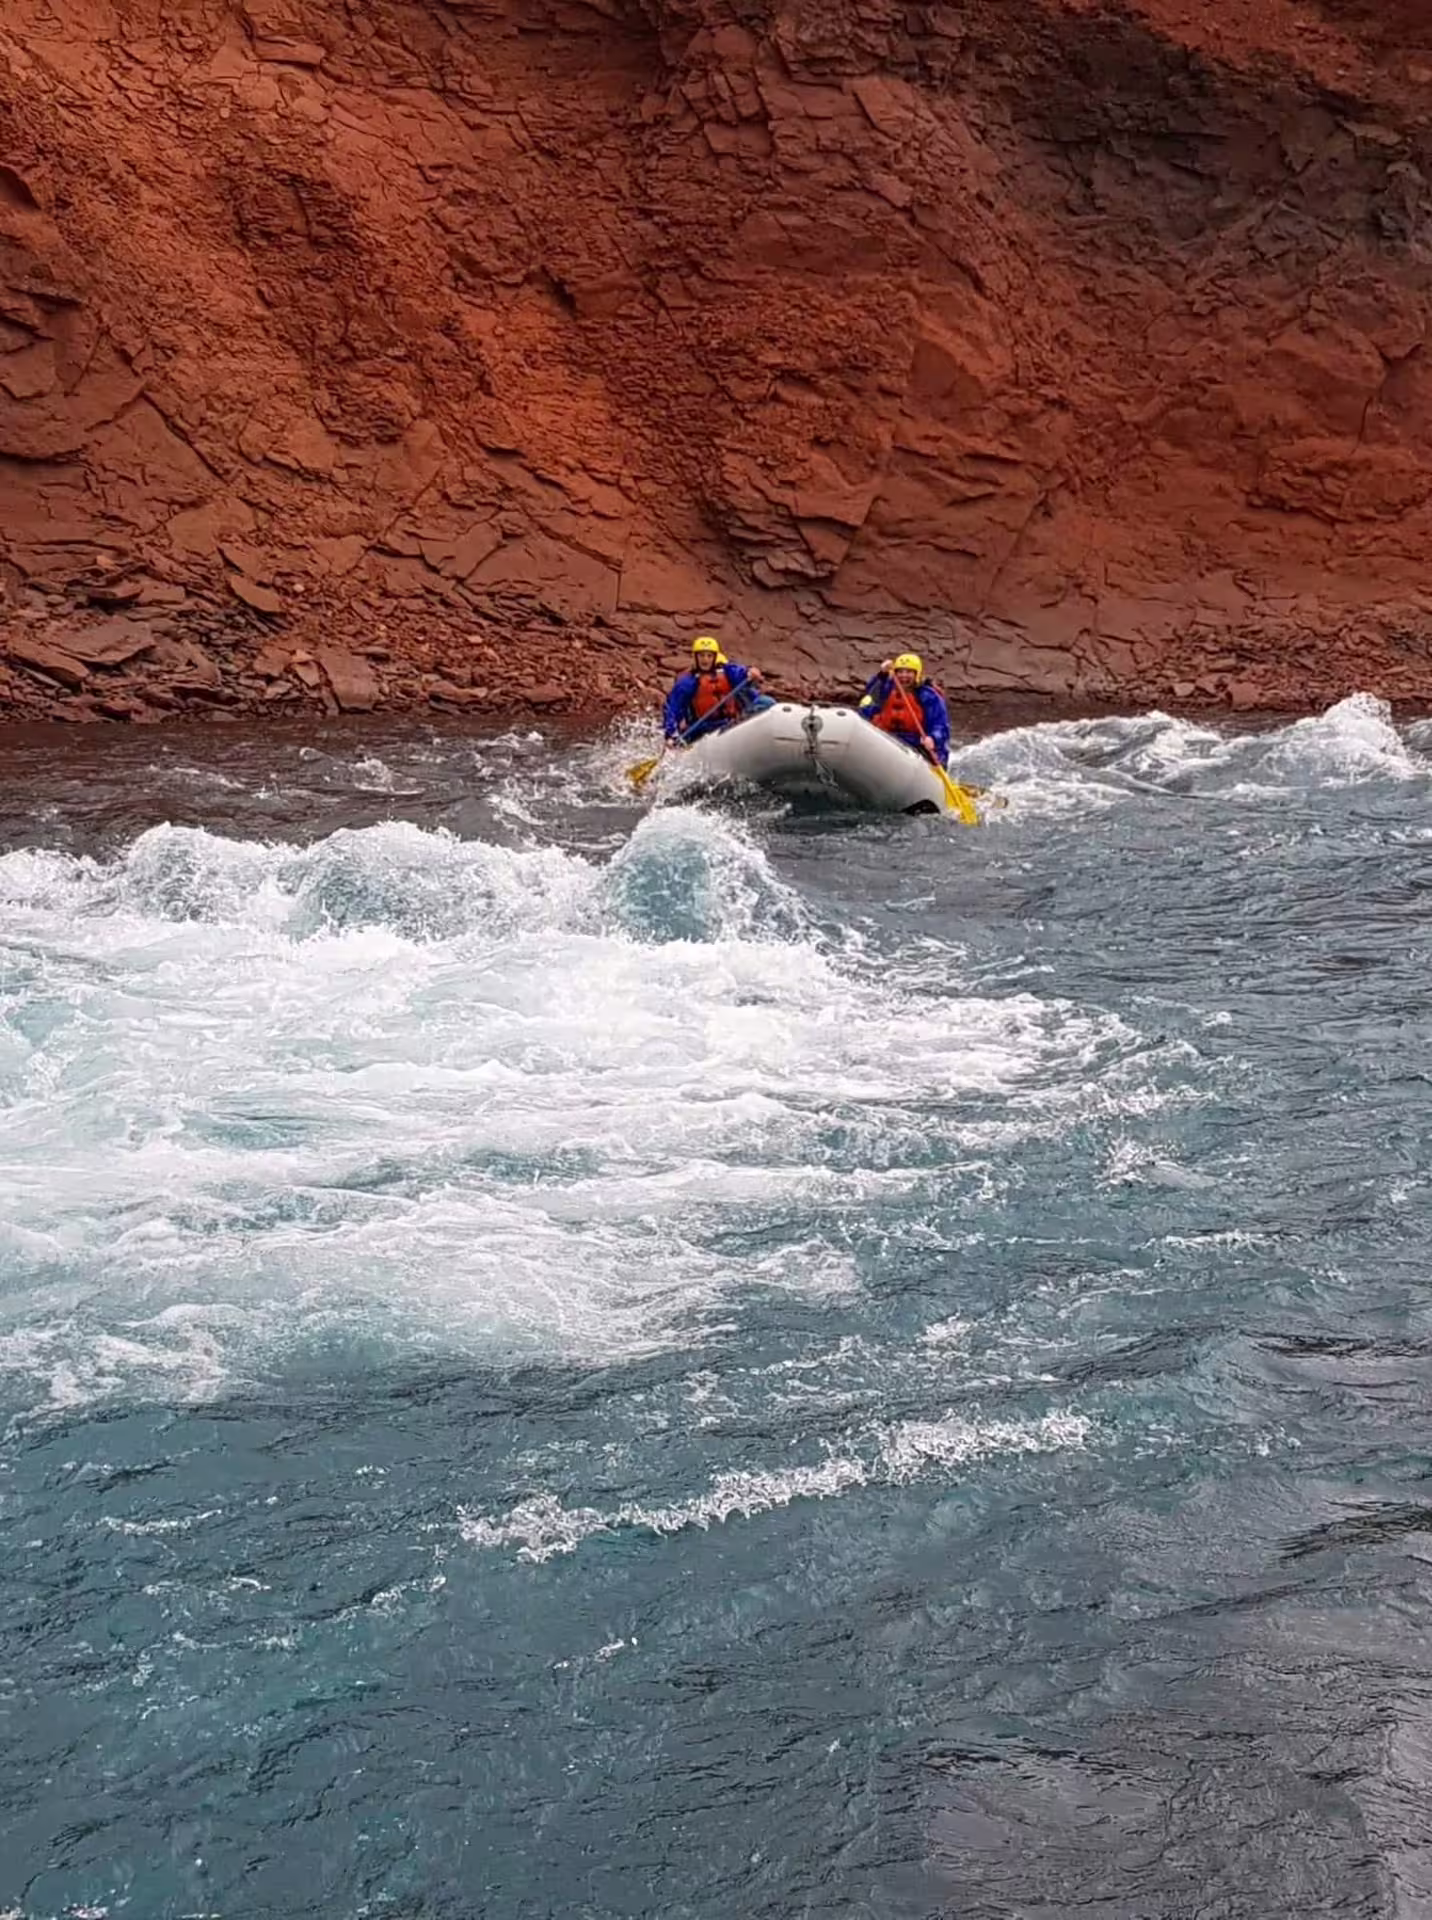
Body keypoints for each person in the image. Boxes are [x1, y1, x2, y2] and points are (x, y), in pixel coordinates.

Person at [664, 636, 766, 745]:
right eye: (701, 655)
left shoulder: (727, 671)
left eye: (709, 656)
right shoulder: (688, 682)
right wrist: (671, 735)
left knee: (766, 702)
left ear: (715, 657)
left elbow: (740, 673)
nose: (705, 659)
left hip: (731, 722)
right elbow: (673, 709)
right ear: (695, 657)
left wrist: (749, 672)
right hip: (705, 729)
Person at [858, 652, 950, 766]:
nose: (903, 676)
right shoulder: (887, 688)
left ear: (917, 674)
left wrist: (933, 738)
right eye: (900, 672)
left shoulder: (928, 696)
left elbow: (941, 726)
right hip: (888, 739)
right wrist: (882, 674)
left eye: (908, 672)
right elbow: (870, 694)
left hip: (916, 745)